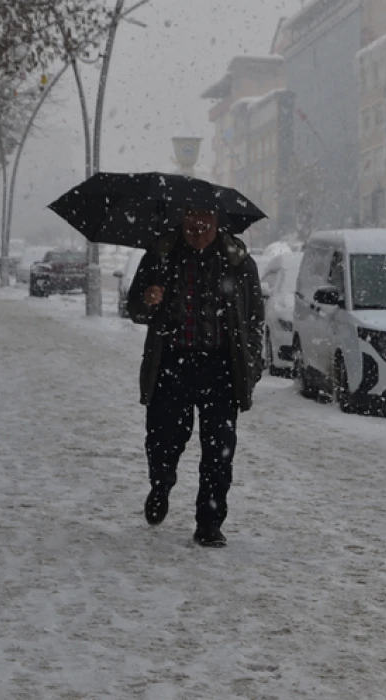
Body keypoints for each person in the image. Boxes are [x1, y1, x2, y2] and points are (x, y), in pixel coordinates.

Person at [127, 208, 264, 547]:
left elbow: (255, 320)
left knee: (219, 452)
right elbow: (135, 308)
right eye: (191, 226)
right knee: (162, 440)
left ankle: (209, 523)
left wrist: (252, 365)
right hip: (172, 364)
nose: (197, 233)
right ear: (181, 221)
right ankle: (161, 483)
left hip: (221, 368)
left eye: (204, 227)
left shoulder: (239, 264)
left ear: (219, 224)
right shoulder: (160, 257)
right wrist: (148, 300)